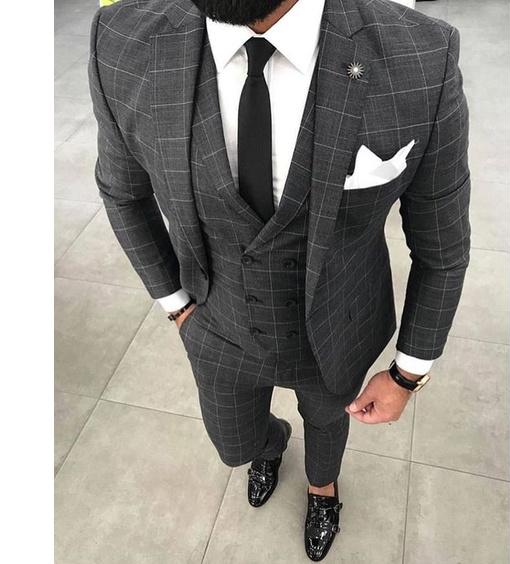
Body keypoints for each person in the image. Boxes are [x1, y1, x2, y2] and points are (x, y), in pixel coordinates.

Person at [88, 0, 470, 560]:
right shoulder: (121, 40)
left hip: (338, 328)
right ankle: (270, 444)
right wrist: (176, 306)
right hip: (215, 325)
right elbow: (122, 192)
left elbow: (442, 245)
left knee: (329, 426)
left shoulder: (421, 54)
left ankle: (322, 488)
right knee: (234, 443)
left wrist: (408, 373)